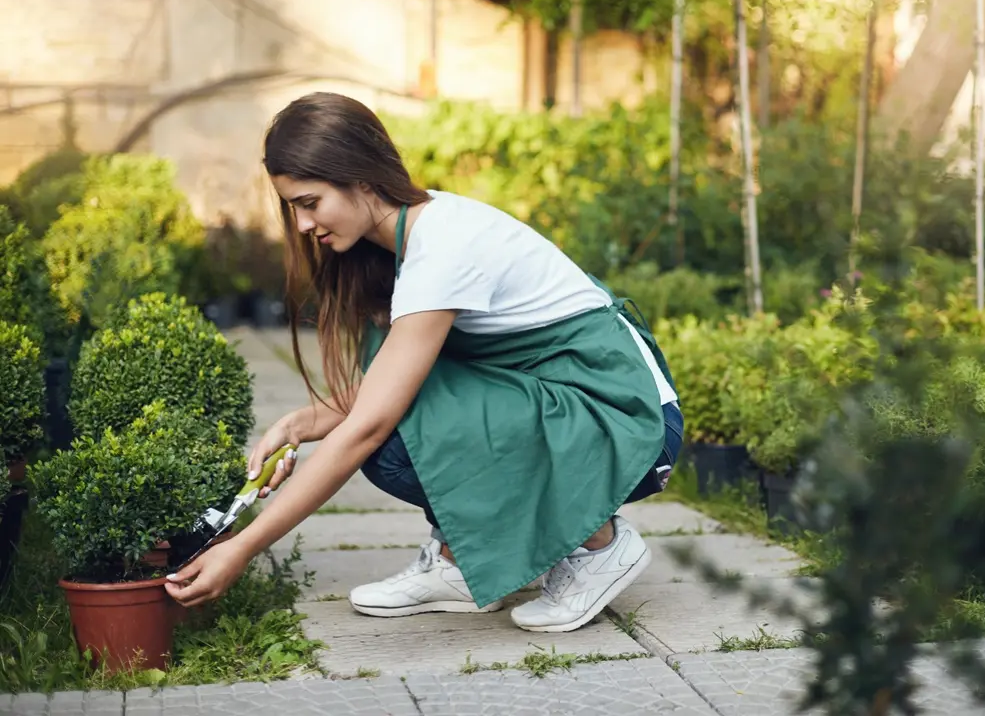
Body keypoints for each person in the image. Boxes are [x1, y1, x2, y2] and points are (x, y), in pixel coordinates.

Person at [166, 91, 684, 634]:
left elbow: (371, 423)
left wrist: (243, 546)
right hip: (570, 405)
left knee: (390, 444)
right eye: (293, 206)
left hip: (632, 423)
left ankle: (598, 545)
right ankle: (462, 563)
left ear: (362, 180)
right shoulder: (400, 240)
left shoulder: (442, 247)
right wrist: (300, 424)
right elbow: (388, 383)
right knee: (398, 416)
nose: (300, 225)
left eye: (310, 202)